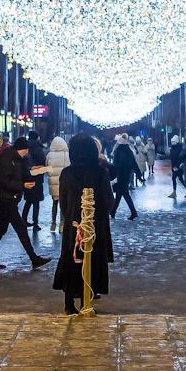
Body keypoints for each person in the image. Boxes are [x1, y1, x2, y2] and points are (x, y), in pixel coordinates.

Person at [53, 133, 115, 315]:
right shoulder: (100, 172)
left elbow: (63, 202)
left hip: (74, 226)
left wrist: (72, 216)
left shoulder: (67, 173)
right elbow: (108, 200)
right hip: (95, 227)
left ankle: (68, 302)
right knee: (92, 261)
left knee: (71, 260)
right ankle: (86, 300)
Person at [0, 136, 51, 271]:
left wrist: (34, 170)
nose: (27, 153)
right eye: (25, 150)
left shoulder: (19, 159)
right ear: (21, 149)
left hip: (10, 199)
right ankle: (34, 258)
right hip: (5, 199)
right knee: (20, 227)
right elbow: (4, 181)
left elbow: (23, 174)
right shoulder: (7, 159)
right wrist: (23, 185)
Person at [110, 134, 142, 219]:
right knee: (119, 194)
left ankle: (133, 212)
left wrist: (112, 176)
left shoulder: (118, 151)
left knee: (124, 194)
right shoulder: (129, 151)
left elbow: (115, 165)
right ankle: (113, 212)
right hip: (126, 176)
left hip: (120, 176)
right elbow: (134, 163)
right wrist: (139, 174)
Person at [44, 135, 69, 231]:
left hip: (53, 183)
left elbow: (47, 167)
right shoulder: (67, 154)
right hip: (64, 183)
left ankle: (53, 223)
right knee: (63, 204)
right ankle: (62, 225)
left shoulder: (49, 155)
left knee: (54, 203)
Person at [22, 141, 47, 233]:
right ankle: (35, 223)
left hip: (28, 180)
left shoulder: (27, 152)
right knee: (36, 203)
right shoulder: (39, 150)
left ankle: (23, 220)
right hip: (36, 180)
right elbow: (40, 165)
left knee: (28, 202)